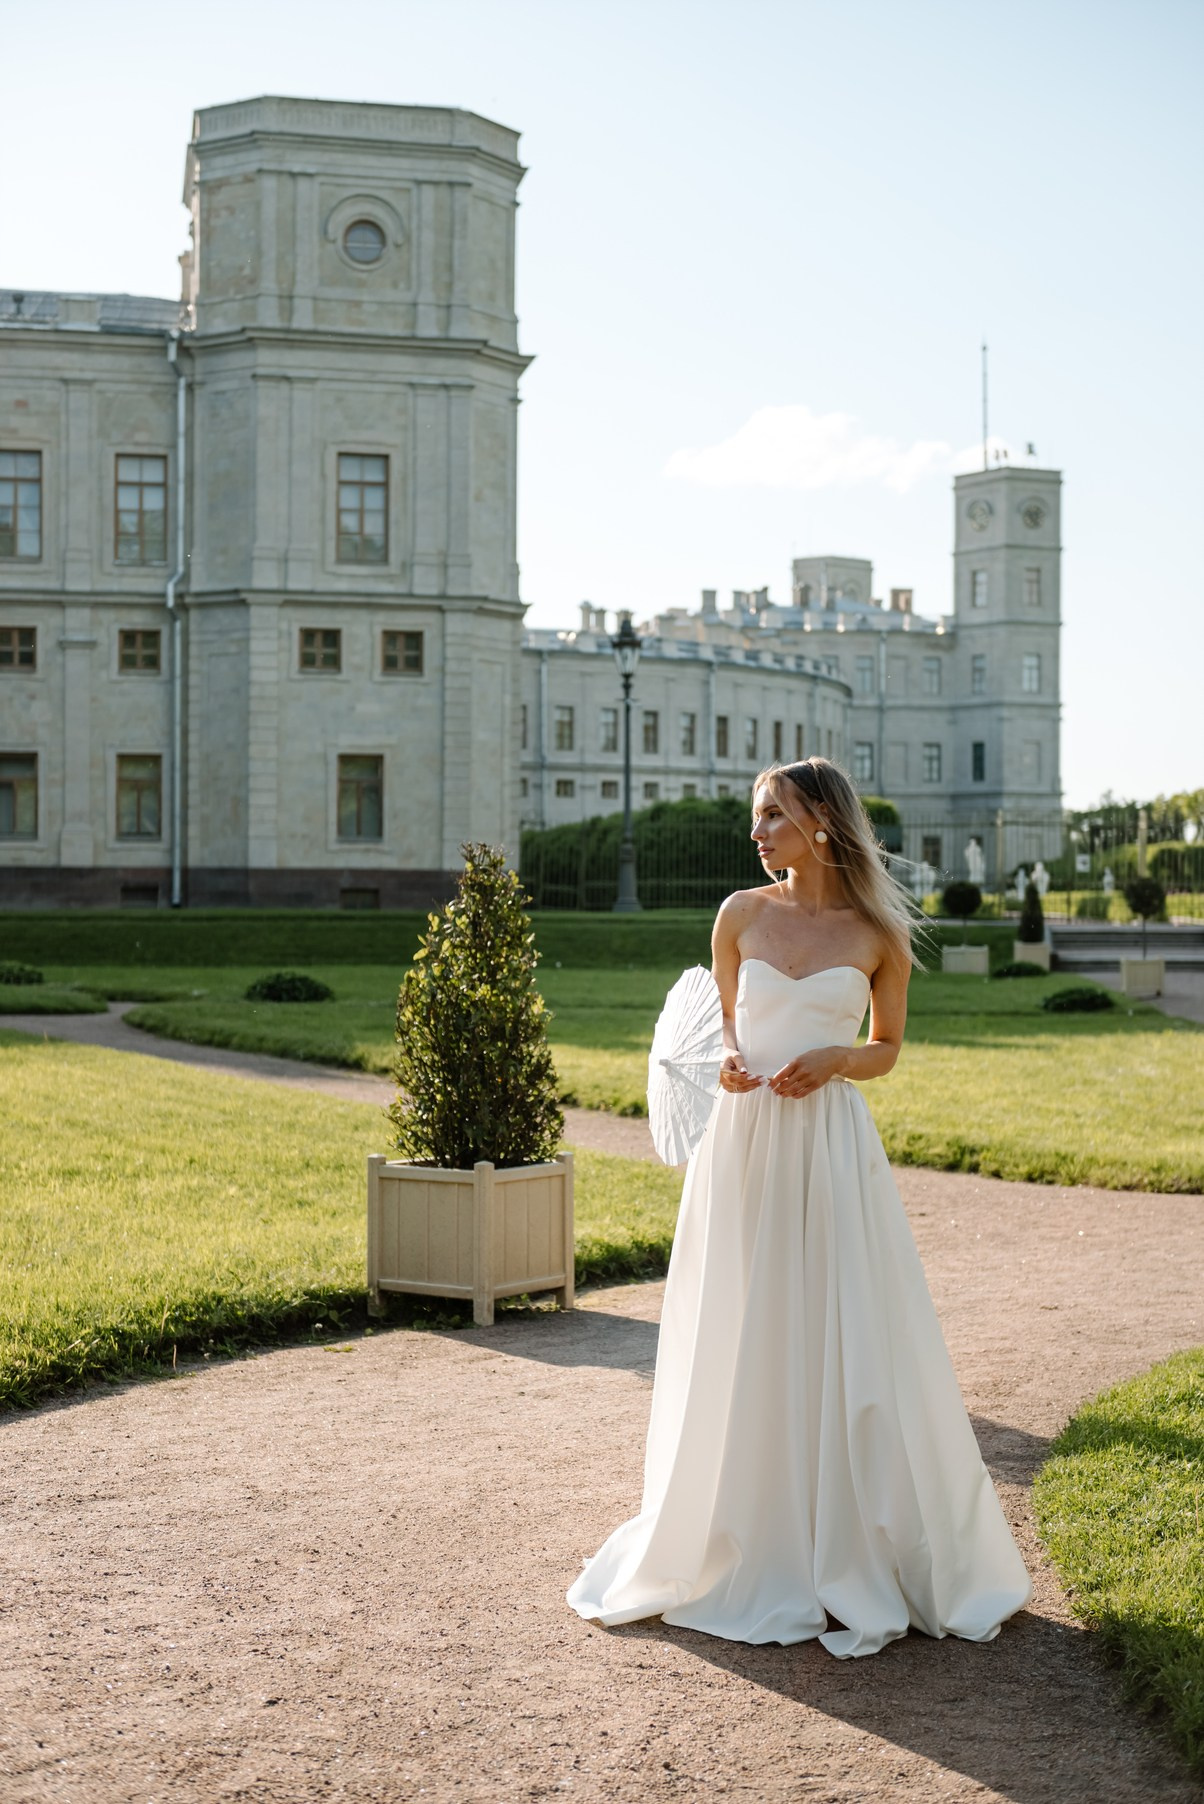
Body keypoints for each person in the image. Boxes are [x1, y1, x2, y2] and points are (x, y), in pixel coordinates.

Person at [566, 758, 1031, 1657]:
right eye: (756, 816)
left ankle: (847, 1539)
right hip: (742, 1147)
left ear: (820, 820)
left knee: (841, 1325)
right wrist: (730, 1062)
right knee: (745, 1324)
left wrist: (836, 1060)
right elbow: (727, 1027)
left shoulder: (879, 934)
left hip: (828, 1148)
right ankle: (746, 1528)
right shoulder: (738, 916)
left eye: (772, 814)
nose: (758, 831)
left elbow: (887, 1046)